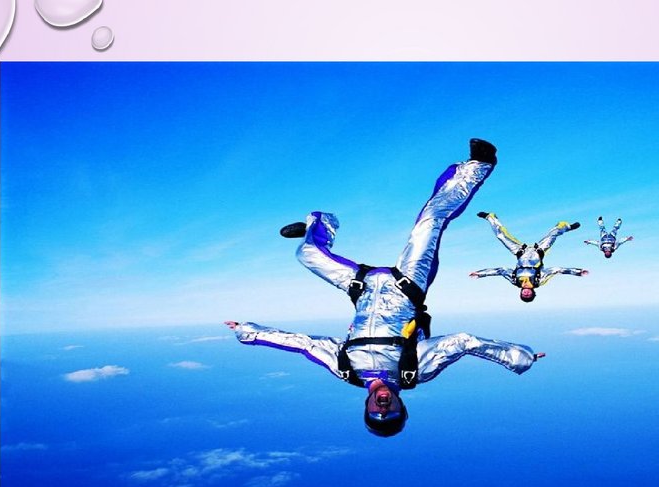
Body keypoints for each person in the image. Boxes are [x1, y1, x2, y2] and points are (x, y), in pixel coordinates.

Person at [225, 139, 543, 437]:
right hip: (408, 284)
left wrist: (247, 332)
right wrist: (519, 357)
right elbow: (464, 342)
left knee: (306, 254)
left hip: (361, 286)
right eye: (391, 412)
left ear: (366, 407)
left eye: (376, 413)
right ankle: (479, 165)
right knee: (430, 222)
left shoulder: (345, 369)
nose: (383, 407)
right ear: (401, 406)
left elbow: (302, 344)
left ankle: (320, 223)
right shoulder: (416, 371)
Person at [469, 212, 588, 302]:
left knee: (501, 236)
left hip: (520, 251)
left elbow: (500, 271)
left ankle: (490, 217)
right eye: (528, 295)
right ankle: (567, 226)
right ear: (532, 292)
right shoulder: (539, 281)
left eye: (523, 295)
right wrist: (578, 272)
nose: (526, 293)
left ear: (521, 292)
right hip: (539, 250)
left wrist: (479, 274)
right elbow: (557, 270)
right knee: (553, 234)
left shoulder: (515, 280)